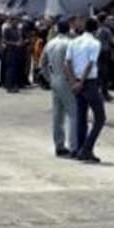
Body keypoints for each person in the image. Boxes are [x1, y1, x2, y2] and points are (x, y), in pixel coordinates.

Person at [67, 17, 106, 163]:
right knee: (100, 118)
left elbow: (67, 62)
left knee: (81, 116)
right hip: (89, 81)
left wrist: (73, 82)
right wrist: (82, 81)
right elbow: (90, 64)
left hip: (76, 80)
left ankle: (79, 149)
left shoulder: (74, 41)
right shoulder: (95, 43)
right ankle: (86, 148)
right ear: (96, 29)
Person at [40, 19, 76, 156]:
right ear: (68, 29)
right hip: (67, 79)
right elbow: (72, 63)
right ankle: (74, 146)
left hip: (55, 78)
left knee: (57, 115)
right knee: (73, 113)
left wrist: (49, 78)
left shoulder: (50, 43)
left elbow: (42, 63)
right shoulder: (70, 43)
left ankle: (59, 145)